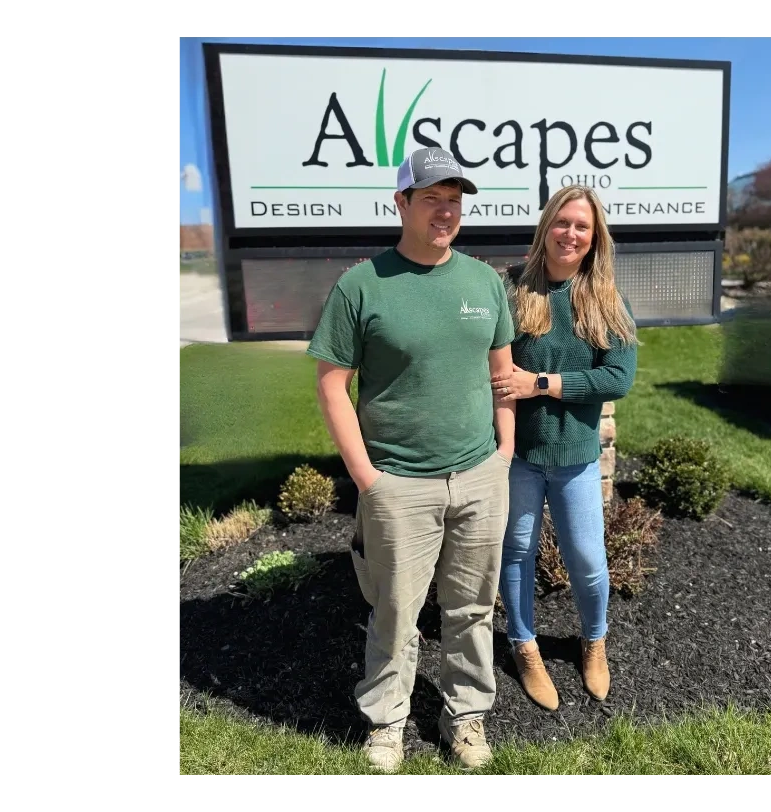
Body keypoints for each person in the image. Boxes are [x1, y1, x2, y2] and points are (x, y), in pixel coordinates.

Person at [306, 147, 516, 772]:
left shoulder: (483, 282)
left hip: (480, 475)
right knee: (395, 611)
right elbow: (330, 385)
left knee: (473, 607)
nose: (445, 212)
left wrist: (504, 452)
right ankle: (386, 721)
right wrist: (369, 479)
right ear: (400, 203)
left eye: (454, 201)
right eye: (431, 199)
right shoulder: (361, 285)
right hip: (399, 483)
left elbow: (500, 374)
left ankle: (467, 715)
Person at [490, 185, 638, 711]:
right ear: (545, 226)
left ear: (594, 237)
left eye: (582, 226)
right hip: (518, 457)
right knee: (517, 553)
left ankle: (593, 642)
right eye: (562, 222)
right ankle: (524, 645)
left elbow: (619, 377)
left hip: (575, 458)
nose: (570, 233)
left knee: (588, 562)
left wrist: (545, 384)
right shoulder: (511, 288)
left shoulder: (603, 299)